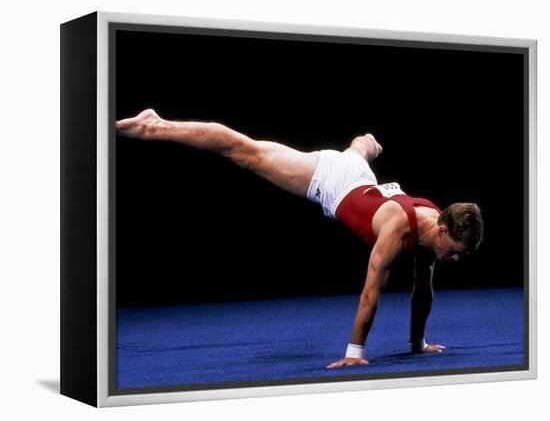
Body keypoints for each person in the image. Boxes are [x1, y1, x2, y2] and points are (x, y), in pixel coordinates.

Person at [116, 109, 484, 369]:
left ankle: (365, 144)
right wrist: (355, 352)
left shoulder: (438, 221)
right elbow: (371, 291)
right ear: (442, 230)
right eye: (454, 251)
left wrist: (418, 344)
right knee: (245, 152)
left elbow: (423, 288)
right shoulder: (398, 228)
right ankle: (155, 125)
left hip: (361, 177)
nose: (454, 259)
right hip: (330, 180)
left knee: (357, 152)